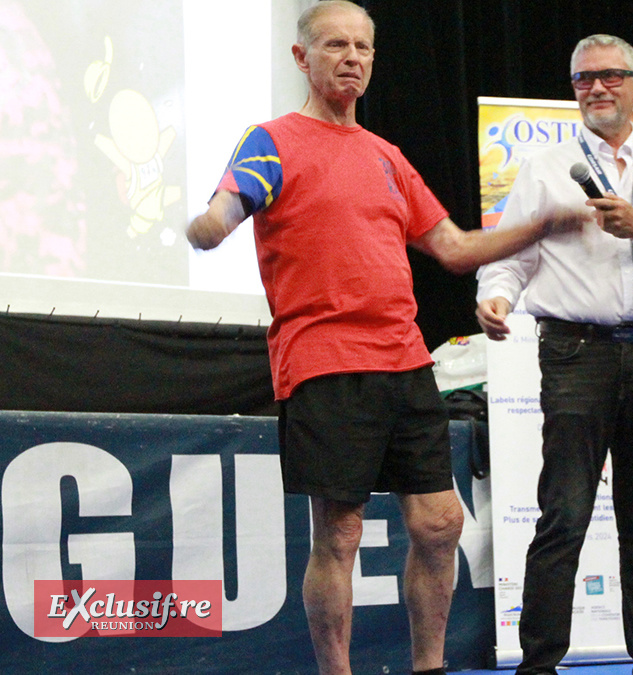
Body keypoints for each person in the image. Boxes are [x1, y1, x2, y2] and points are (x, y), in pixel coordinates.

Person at [186, 3, 581, 674]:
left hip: (404, 357)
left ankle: (429, 666)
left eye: (363, 46)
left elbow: (454, 247)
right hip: (323, 358)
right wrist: (213, 221)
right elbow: (228, 204)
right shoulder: (272, 138)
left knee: (440, 524)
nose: (352, 57)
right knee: (339, 533)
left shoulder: (387, 157)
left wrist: (540, 224)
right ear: (301, 58)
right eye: (336, 44)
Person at [475, 34, 633, 675]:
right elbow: (509, 256)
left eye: (611, 76)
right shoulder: (546, 168)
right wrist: (496, 299)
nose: (597, 88)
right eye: (583, 79)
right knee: (563, 514)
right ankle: (538, 664)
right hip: (575, 353)